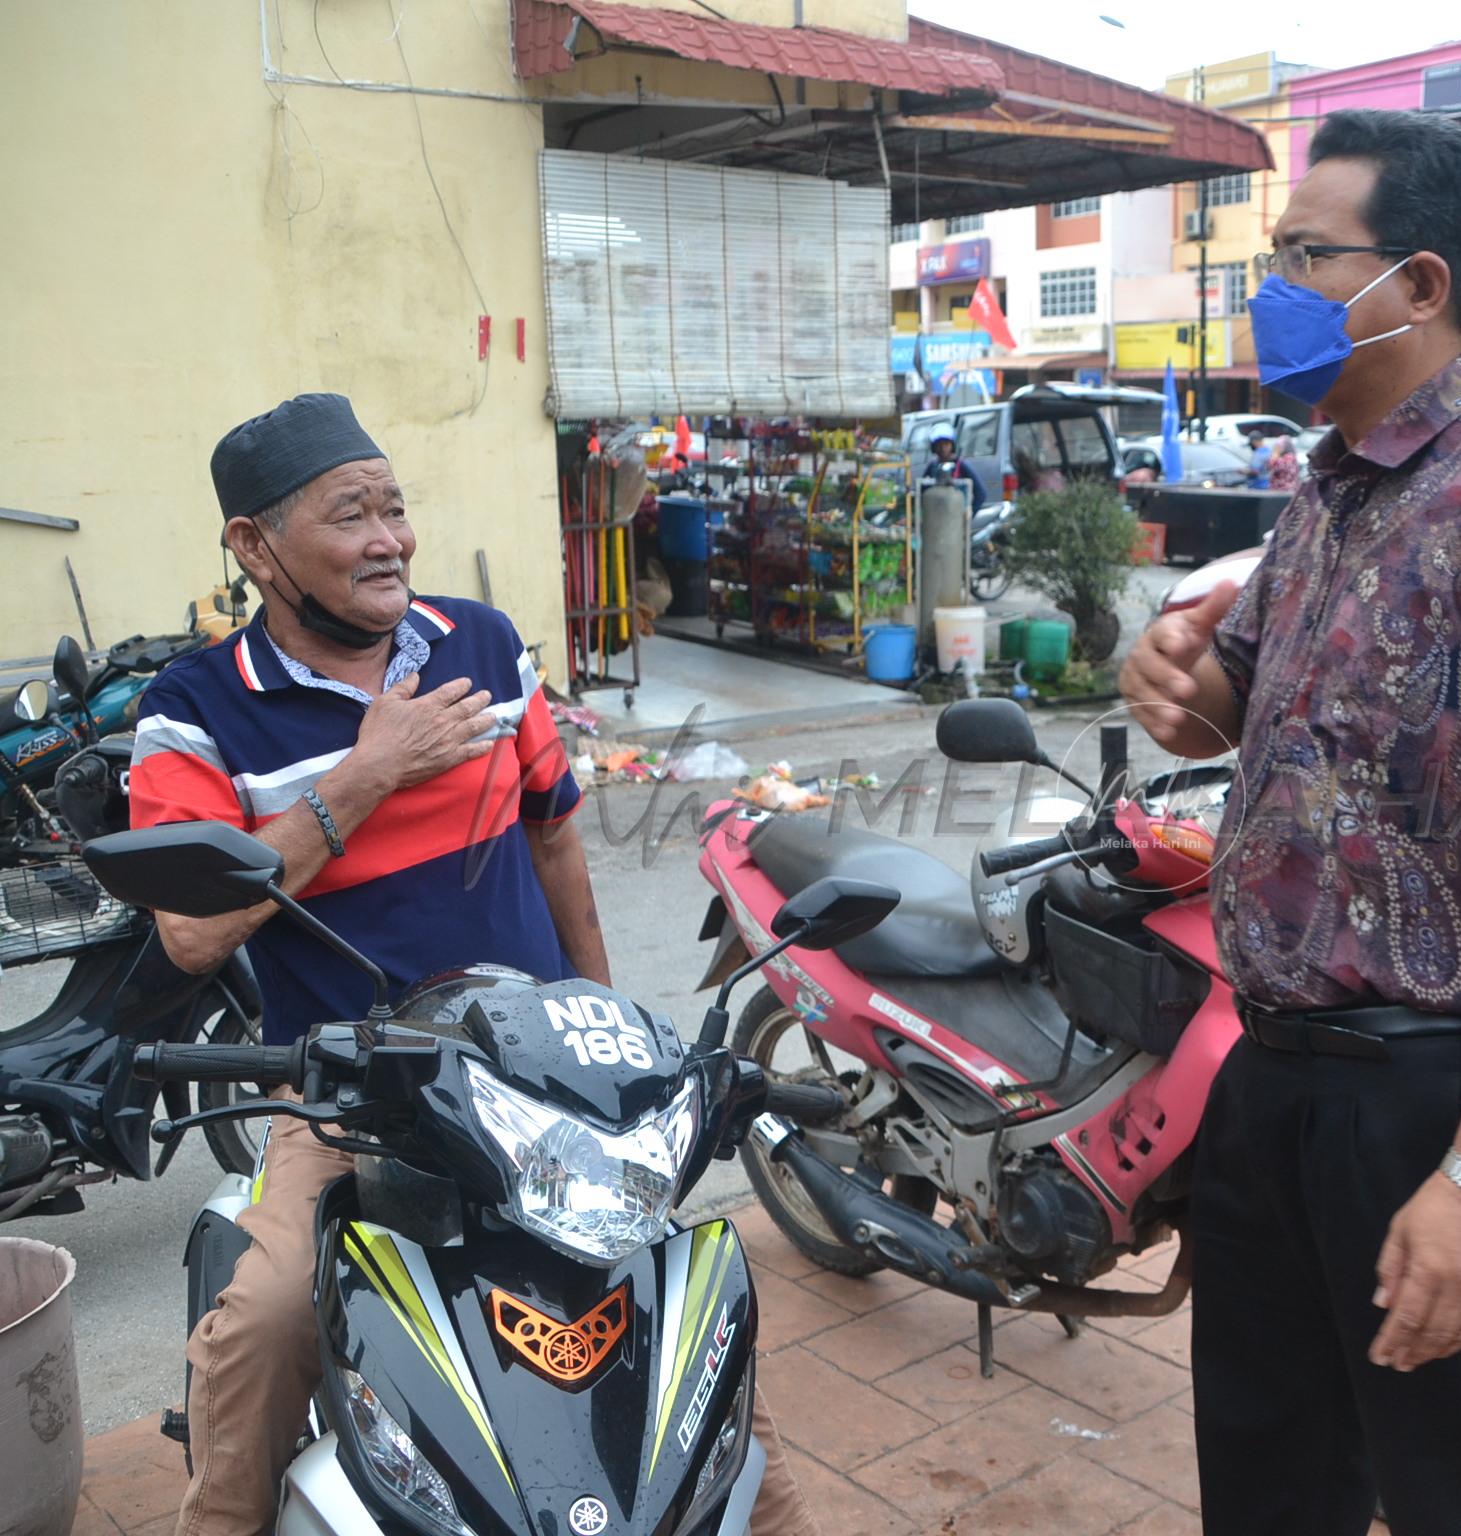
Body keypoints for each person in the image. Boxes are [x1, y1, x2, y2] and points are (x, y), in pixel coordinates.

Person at [1117, 111, 1461, 1535]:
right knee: (1270, 1478)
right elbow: (1282, 733)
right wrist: (1185, 692)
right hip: (1277, 1068)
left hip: (1423, 1094)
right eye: (1276, 254)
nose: (1275, 289)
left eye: (1309, 254)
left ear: (1419, 285)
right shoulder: (1328, 494)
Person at [130, 394, 821, 1536]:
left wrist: (609, 1025)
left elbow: (554, 837)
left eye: (394, 507)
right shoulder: (195, 711)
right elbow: (191, 931)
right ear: (254, 546)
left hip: (540, 1087)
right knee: (265, 1323)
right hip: (356, 1101)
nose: (389, 538)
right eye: (350, 514)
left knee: (685, 1325)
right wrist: (364, 776)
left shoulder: (486, 648)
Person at [921, 425, 982, 508]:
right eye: (939, 444)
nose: (943, 448)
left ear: (952, 446)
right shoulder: (932, 466)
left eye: (946, 444)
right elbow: (921, 491)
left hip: (957, 515)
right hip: (935, 516)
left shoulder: (961, 465)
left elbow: (980, 494)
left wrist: (969, 515)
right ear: (933, 447)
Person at [1264, 430, 1302, 495]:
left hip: (1285, 491)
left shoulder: (1289, 458)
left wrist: (1275, 453)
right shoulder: (1283, 457)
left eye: (1279, 446)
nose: (1277, 448)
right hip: (1277, 491)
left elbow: (1274, 466)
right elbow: (1267, 467)